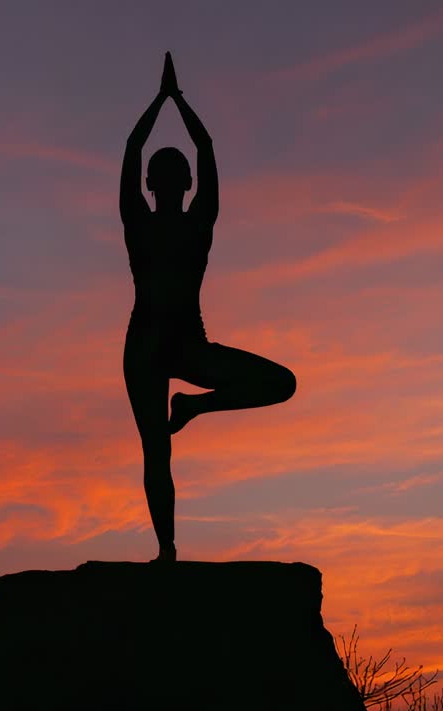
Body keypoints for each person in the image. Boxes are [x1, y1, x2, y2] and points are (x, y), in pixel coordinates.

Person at [121, 53, 297, 563]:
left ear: (183, 185)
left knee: (280, 383)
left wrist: (168, 99)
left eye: (174, 173)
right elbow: (156, 149)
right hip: (145, 347)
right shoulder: (141, 221)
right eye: (163, 174)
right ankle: (167, 550)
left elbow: (190, 148)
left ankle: (194, 406)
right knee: (156, 451)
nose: (168, 180)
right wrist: (170, 100)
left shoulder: (198, 222)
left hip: (187, 343)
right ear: (154, 185)